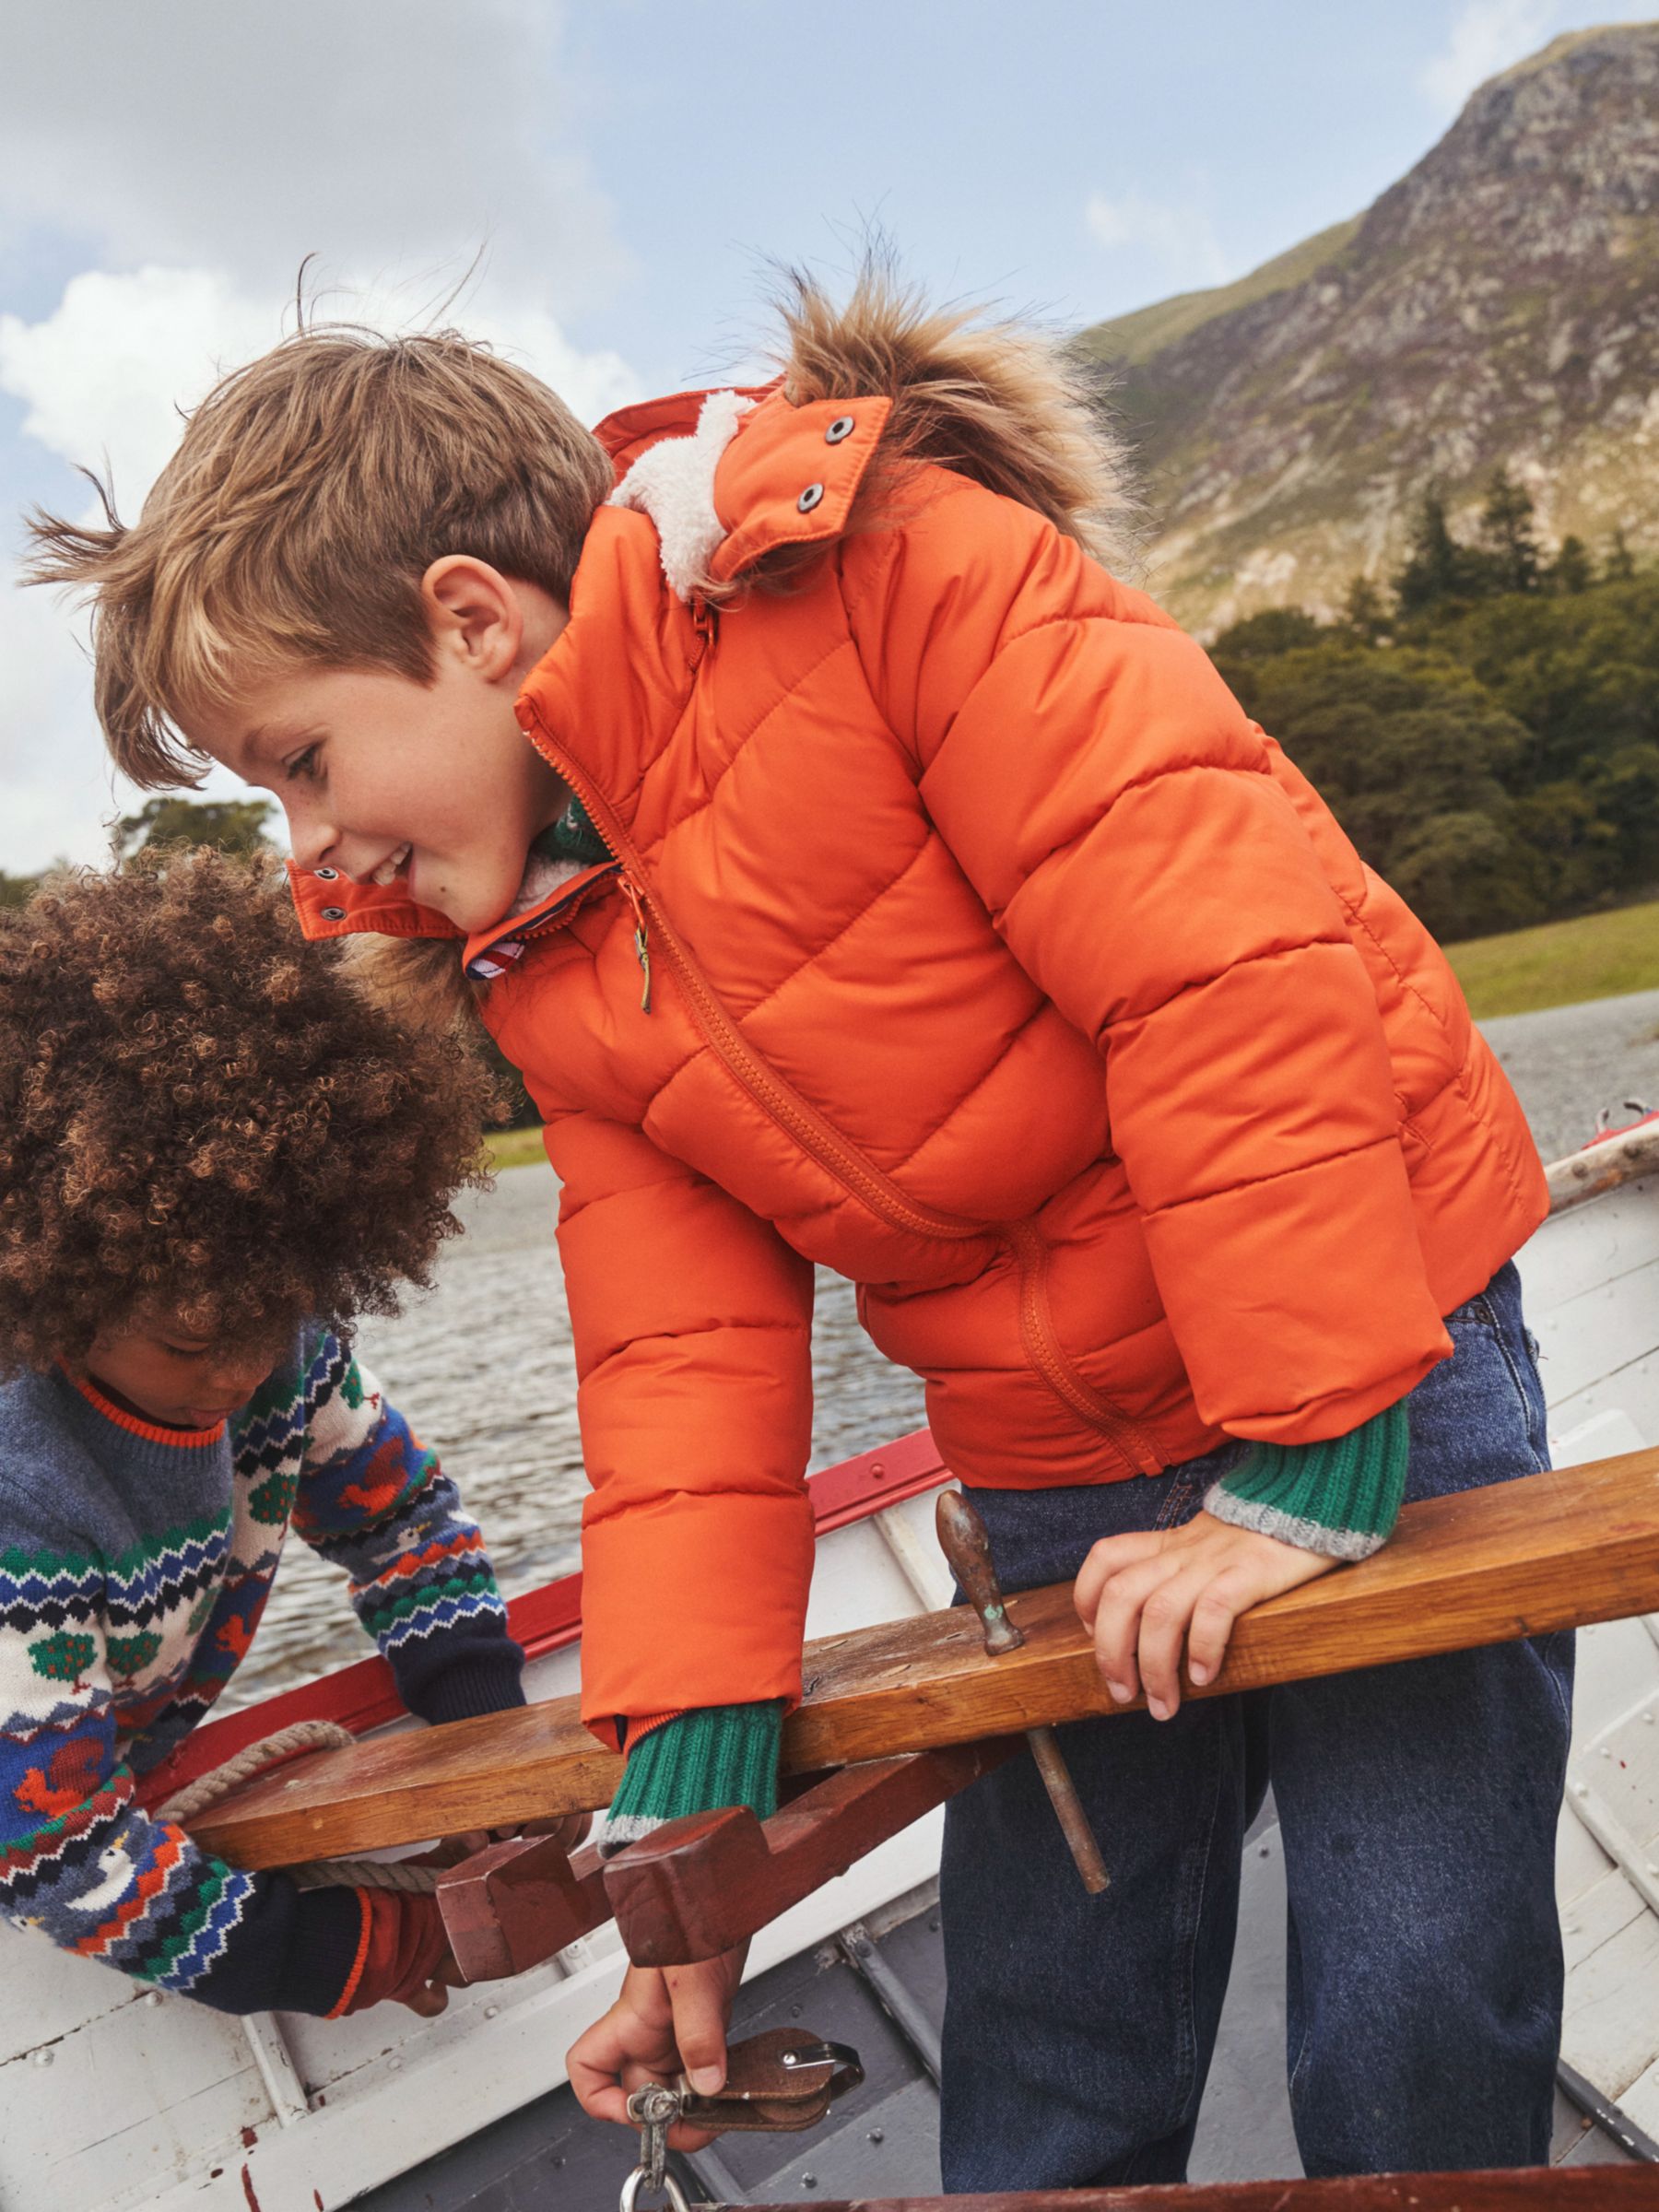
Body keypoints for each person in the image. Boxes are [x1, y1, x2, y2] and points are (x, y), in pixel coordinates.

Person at [29, 268, 1568, 2182]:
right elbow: (683, 1355)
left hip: (1373, 1334)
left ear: (469, 622)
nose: (306, 848)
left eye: (301, 762)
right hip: (1055, 1448)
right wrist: (691, 1787)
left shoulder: (912, 580)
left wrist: (1316, 1453)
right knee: (1057, 2014)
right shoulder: (526, 940)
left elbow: (1222, 976)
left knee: (1415, 1975)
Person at [0, 851, 526, 2020]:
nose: (238, 1374)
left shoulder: (282, 1351)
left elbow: (400, 1518)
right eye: (187, 1347)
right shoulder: (19, 1500)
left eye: (267, 1322)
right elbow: (52, 1849)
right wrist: (325, 1952)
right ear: (58, 1294)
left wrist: (482, 1722)